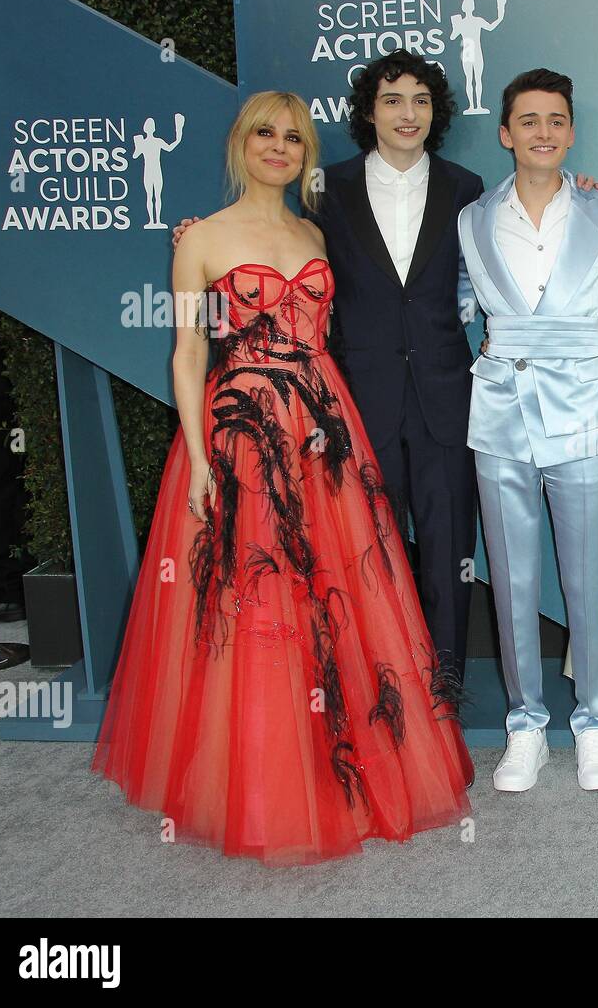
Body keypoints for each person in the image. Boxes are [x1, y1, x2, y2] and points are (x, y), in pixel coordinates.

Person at [93, 91, 474, 866]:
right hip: (239, 433)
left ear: (307, 152)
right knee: (257, 598)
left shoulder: (315, 230)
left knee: (336, 594)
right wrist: (199, 456)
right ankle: (264, 779)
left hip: (324, 429)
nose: (279, 147)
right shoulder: (201, 237)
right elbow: (188, 353)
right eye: (265, 134)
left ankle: (335, 763)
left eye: (294, 138)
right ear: (240, 143)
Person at [177, 51, 484, 692]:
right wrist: (198, 242)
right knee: (363, 546)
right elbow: (265, 259)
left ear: (437, 113)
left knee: (450, 534)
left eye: (421, 100)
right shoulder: (327, 191)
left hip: (445, 393)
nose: (407, 112)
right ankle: (376, 672)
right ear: (368, 111)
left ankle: (445, 674)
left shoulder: (468, 188)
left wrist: (583, 188)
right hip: (351, 400)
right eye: (392, 99)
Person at [458, 69, 598, 793]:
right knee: (512, 579)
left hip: (582, 406)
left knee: (588, 578)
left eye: (556, 119)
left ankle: (594, 722)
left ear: (572, 132)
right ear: (506, 133)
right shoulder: (470, 219)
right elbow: (458, 303)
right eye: (529, 120)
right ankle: (525, 726)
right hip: (500, 409)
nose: (544, 132)